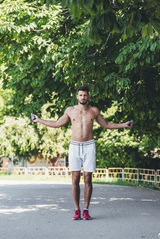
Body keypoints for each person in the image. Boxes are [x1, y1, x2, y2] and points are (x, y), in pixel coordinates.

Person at [31, 85, 133, 220]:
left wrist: (124, 125)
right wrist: (38, 120)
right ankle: (76, 210)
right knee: (74, 178)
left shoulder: (94, 111)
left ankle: (86, 209)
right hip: (74, 146)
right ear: (77, 96)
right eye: (80, 95)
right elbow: (57, 124)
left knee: (87, 178)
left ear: (88, 96)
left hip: (89, 146)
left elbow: (106, 125)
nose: (83, 97)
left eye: (85, 95)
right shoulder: (70, 110)